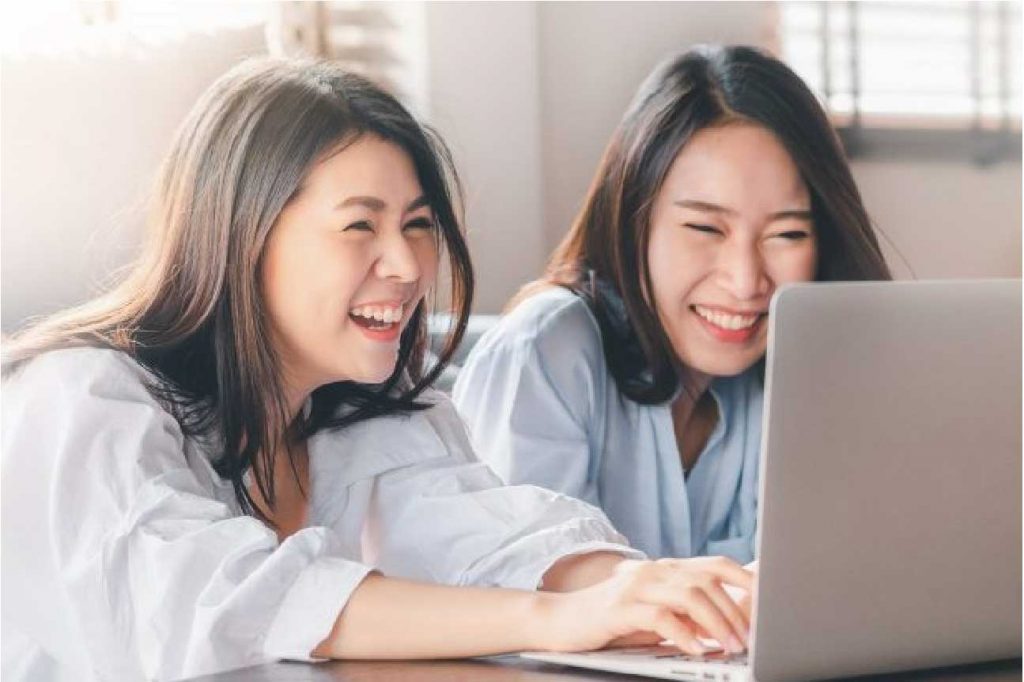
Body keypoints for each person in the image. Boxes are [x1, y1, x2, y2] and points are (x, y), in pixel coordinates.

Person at [0, 58, 756, 682]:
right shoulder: (81, 400)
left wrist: (638, 591)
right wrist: (562, 616)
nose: (406, 265)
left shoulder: (364, 414)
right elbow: (213, 605)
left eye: (419, 225)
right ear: (244, 234)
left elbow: (496, 540)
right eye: (360, 224)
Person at [452, 45, 891, 563]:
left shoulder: (804, 375)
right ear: (633, 222)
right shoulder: (544, 351)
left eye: (787, 233)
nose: (746, 279)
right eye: (706, 228)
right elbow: (527, 590)